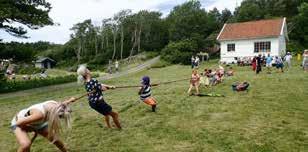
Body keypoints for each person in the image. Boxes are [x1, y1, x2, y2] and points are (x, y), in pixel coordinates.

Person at [11, 97, 76, 152]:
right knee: (26, 145)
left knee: (55, 139)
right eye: (59, 117)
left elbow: (62, 105)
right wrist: (32, 129)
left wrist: (70, 100)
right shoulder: (39, 115)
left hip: (38, 123)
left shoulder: (55, 105)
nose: (59, 119)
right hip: (18, 122)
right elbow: (19, 123)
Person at [77, 65, 121, 129]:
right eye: (87, 69)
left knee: (106, 114)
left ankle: (109, 127)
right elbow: (103, 88)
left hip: (92, 103)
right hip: (99, 103)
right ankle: (120, 129)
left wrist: (109, 86)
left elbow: (100, 85)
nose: (89, 70)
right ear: (86, 72)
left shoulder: (86, 82)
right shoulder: (93, 81)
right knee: (115, 114)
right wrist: (110, 88)